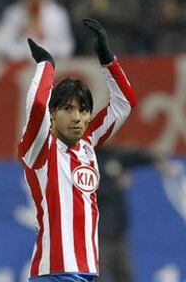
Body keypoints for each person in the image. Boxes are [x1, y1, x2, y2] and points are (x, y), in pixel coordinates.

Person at [17, 18, 136, 281]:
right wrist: (46, 64)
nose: (77, 117)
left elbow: (125, 102)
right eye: (67, 109)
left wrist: (107, 59)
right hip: (55, 273)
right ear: (53, 113)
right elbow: (37, 105)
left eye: (83, 110)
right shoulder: (40, 149)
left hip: (87, 272)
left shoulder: (88, 143)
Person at [94, 145, 157, 282]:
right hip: (99, 236)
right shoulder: (88, 159)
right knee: (96, 276)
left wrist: (156, 159)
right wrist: (115, 185)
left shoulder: (114, 155)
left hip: (119, 234)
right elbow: (91, 192)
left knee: (125, 276)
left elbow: (134, 156)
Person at [0, 0, 74, 61]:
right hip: (19, 64)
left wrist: (43, 36)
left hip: (49, 64)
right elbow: (1, 43)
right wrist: (19, 32)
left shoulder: (57, 14)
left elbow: (66, 47)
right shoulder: (14, 13)